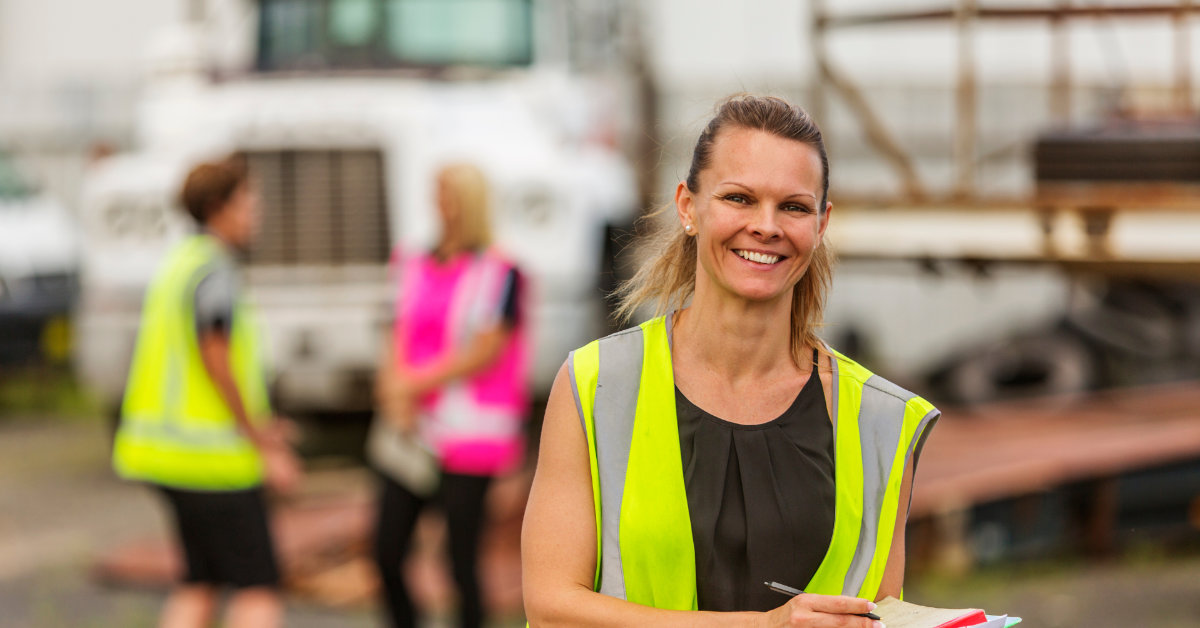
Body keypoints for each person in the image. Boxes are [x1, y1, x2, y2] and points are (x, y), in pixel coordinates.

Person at [521, 95, 941, 627]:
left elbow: (880, 617)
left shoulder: (883, 422)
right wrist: (762, 626)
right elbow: (552, 607)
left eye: (793, 206)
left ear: (821, 222)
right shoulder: (595, 385)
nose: (766, 226)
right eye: (739, 198)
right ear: (688, 206)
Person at [112, 156, 301, 628]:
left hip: (165, 456)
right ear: (219, 207)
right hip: (213, 462)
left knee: (200, 582)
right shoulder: (214, 271)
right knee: (258, 588)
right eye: (247, 200)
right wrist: (260, 437)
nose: (255, 210)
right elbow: (216, 357)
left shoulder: (179, 263)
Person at [371, 163, 530, 628]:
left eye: (448, 194)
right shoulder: (413, 260)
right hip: (411, 430)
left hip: (469, 438)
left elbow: (485, 348)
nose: (440, 204)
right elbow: (396, 330)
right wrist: (394, 394)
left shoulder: (500, 271)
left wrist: (411, 384)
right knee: (387, 550)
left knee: (461, 562)